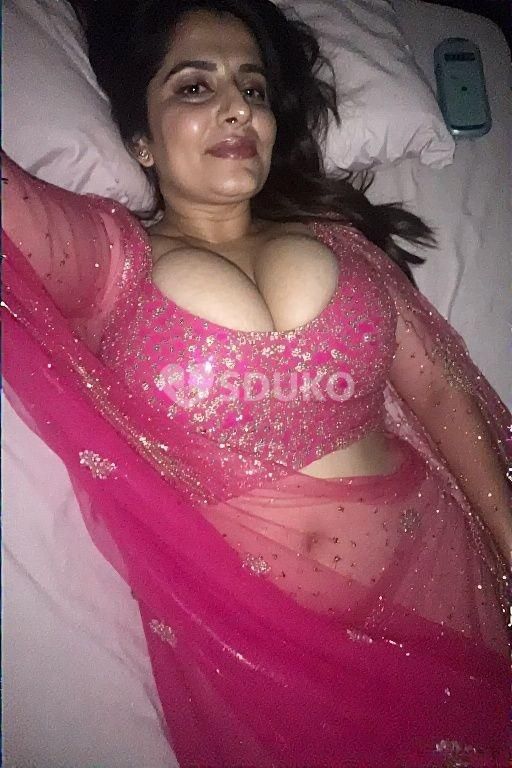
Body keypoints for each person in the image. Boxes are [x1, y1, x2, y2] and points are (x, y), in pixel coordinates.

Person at [3, 0, 510, 765]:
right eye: (195, 87)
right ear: (140, 140)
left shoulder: (343, 246)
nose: (239, 106)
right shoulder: (108, 258)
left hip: (441, 584)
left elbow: (441, 395)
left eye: (254, 88)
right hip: (264, 654)